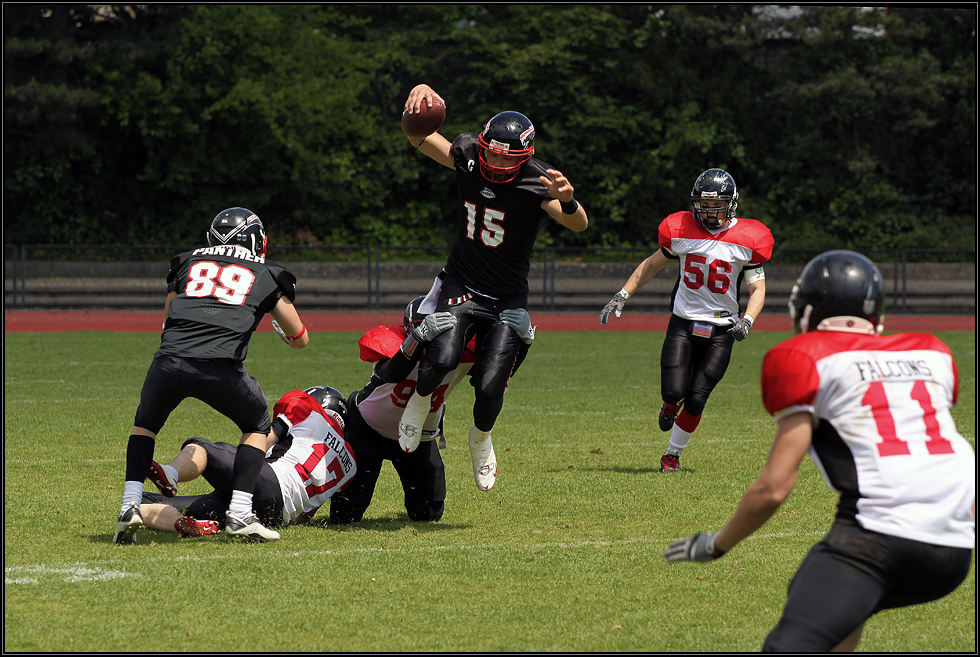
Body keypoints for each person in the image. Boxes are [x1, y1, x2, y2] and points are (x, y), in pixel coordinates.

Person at [663, 250, 975, 652]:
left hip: (879, 537)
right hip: (955, 547)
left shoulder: (803, 358)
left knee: (790, 644)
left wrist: (718, 544)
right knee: (840, 610)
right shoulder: (932, 353)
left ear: (807, 312)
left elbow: (773, 488)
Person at [397, 84, 587, 488]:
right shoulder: (466, 154)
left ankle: (480, 437)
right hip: (462, 281)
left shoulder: (538, 181)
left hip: (506, 297)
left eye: (508, 154)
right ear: (482, 144)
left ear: (525, 155)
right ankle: (418, 403)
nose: (498, 159)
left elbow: (579, 223)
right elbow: (418, 137)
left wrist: (568, 200)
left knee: (489, 384)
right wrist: (421, 95)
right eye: (493, 150)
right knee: (443, 358)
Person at [114, 207, 311, 545]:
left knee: (145, 425)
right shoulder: (266, 271)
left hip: (169, 360)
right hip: (219, 365)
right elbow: (300, 338)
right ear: (254, 239)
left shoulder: (188, 261)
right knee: (257, 424)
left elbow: (167, 321)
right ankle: (240, 512)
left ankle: (129, 504)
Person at [599, 168, 773, 472]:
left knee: (697, 398)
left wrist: (747, 320)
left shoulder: (747, 240)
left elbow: (758, 288)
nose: (708, 212)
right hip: (683, 322)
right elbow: (651, 265)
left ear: (731, 204)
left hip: (723, 328)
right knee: (673, 391)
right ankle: (669, 403)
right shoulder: (680, 231)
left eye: (715, 205)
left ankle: (672, 455)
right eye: (704, 205)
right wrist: (622, 295)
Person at [330, 286, 535, 525]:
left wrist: (523, 343)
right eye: (427, 328)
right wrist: (418, 338)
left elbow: (494, 379)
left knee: (428, 513)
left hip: (421, 437)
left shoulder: (460, 354)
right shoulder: (393, 343)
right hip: (366, 430)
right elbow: (392, 372)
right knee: (344, 516)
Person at [140, 386, 356, 539]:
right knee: (142, 501)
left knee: (201, 447)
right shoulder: (350, 464)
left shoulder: (308, 410)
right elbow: (308, 513)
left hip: (265, 482)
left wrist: (230, 468)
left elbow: (260, 444)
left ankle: (171, 473)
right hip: (274, 515)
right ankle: (182, 523)